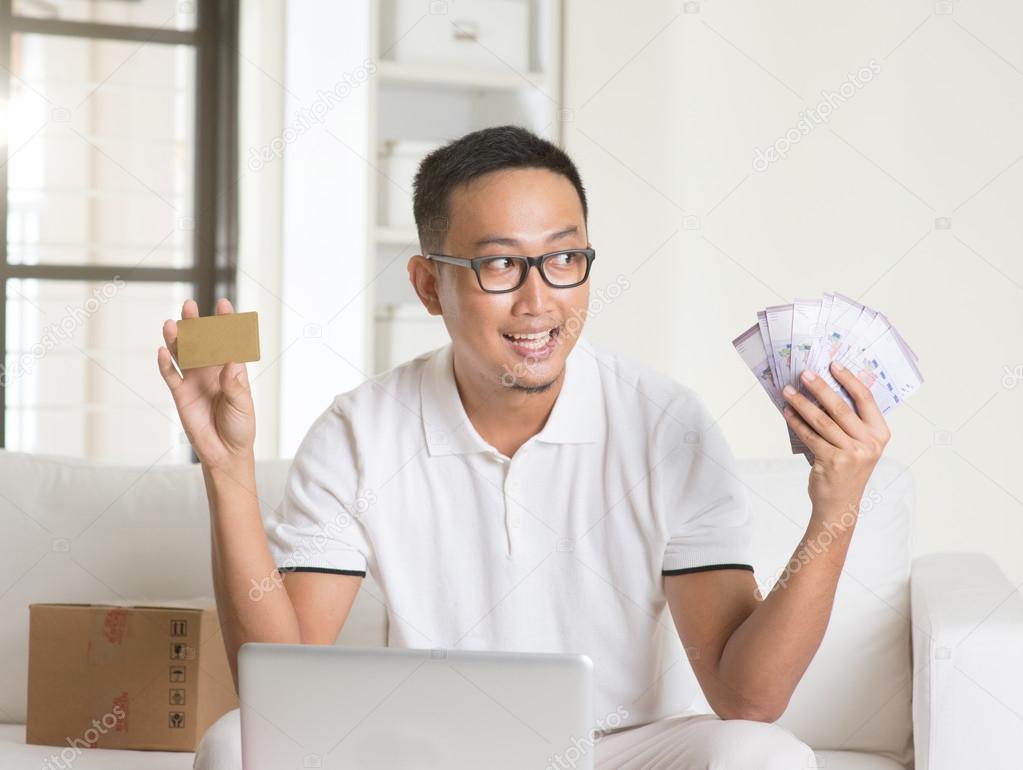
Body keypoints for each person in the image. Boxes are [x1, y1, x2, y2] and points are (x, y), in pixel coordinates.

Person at [159, 125, 890, 769]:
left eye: (564, 259)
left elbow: (747, 698)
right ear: (427, 284)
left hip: (611, 749)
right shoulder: (359, 429)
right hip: (420, 751)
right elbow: (287, 687)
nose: (539, 302)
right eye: (499, 265)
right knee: (234, 743)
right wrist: (228, 473)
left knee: (765, 755)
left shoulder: (665, 420)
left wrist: (837, 507)